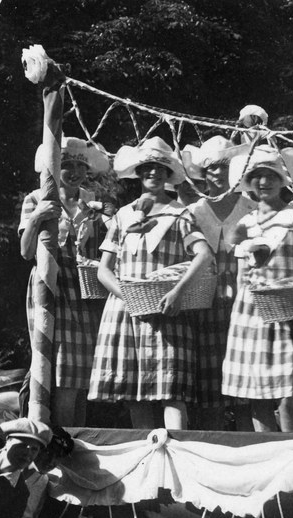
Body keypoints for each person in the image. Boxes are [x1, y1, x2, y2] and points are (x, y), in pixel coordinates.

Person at [88, 138, 214, 430]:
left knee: (172, 389)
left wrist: (177, 292)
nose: (153, 174)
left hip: (167, 308)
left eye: (159, 169)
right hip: (126, 311)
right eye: (147, 168)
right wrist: (129, 298)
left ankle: (176, 460)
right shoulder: (123, 214)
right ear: (139, 173)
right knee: (136, 393)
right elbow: (104, 271)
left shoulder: (180, 213)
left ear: (168, 174)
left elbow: (204, 255)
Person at [221, 146, 293, 432]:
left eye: (270, 176)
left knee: (288, 395)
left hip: (286, 314)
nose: (264, 182)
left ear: (282, 180)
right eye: (257, 176)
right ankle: (269, 457)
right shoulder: (245, 223)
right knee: (257, 395)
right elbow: (240, 274)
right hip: (249, 315)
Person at [17, 138, 112, 427]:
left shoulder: (92, 200)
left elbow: (108, 244)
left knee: (80, 374)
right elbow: (26, 252)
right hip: (52, 286)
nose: (72, 172)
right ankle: (57, 441)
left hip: (86, 287)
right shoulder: (37, 198)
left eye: (78, 166)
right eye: (65, 165)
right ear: (53, 168)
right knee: (59, 369)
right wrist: (36, 220)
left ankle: (75, 443)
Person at [180, 136, 254, 429]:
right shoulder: (195, 210)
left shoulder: (251, 207)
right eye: (213, 169)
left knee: (247, 387)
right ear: (204, 174)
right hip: (205, 304)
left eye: (225, 168)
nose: (220, 175)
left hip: (245, 303)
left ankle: (253, 451)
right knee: (210, 386)